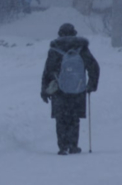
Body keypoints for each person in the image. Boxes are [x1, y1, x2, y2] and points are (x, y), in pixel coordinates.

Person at [40, 23, 100, 155]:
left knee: (60, 118)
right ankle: (73, 145)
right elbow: (94, 67)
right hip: (78, 89)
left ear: (60, 34)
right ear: (74, 33)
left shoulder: (55, 49)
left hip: (59, 90)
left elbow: (47, 71)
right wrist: (91, 85)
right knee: (74, 118)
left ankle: (63, 147)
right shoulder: (82, 48)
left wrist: (44, 90)